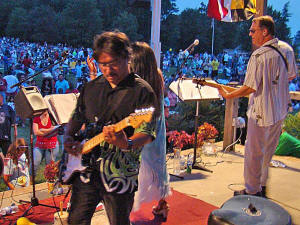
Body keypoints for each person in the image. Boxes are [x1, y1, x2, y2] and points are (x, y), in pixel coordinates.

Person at [63, 31, 158, 225]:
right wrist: (68, 137)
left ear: (127, 57)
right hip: (85, 171)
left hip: (119, 173)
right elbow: (77, 115)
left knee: (119, 221)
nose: (107, 70)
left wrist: (127, 142)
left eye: (113, 63)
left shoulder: (142, 91)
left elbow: (147, 133)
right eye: (103, 64)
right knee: (76, 220)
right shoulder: (91, 88)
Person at [218, 16, 298, 197]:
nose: (250, 34)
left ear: (265, 31)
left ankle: (252, 191)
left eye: (253, 30)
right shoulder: (287, 49)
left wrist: (229, 95)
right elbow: (291, 76)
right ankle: (261, 186)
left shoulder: (259, 55)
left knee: (253, 153)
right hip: (279, 110)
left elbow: (250, 87)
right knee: (268, 152)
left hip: (261, 112)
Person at [130, 42, 171, 218]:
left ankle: (124, 214)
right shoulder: (158, 76)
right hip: (157, 131)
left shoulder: (135, 82)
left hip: (140, 132)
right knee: (159, 168)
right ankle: (163, 206)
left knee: (134, 173)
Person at [32, 110, 59, 174]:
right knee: (35, 163)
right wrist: (49, 131)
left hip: (52, 145)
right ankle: (30, 180)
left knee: (49, 166)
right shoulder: (37, 118)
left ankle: (49, 181)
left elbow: (56, 130)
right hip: (40, 144)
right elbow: (36, 132)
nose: (45, 111)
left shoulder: (52, 117)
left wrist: (42, 130)